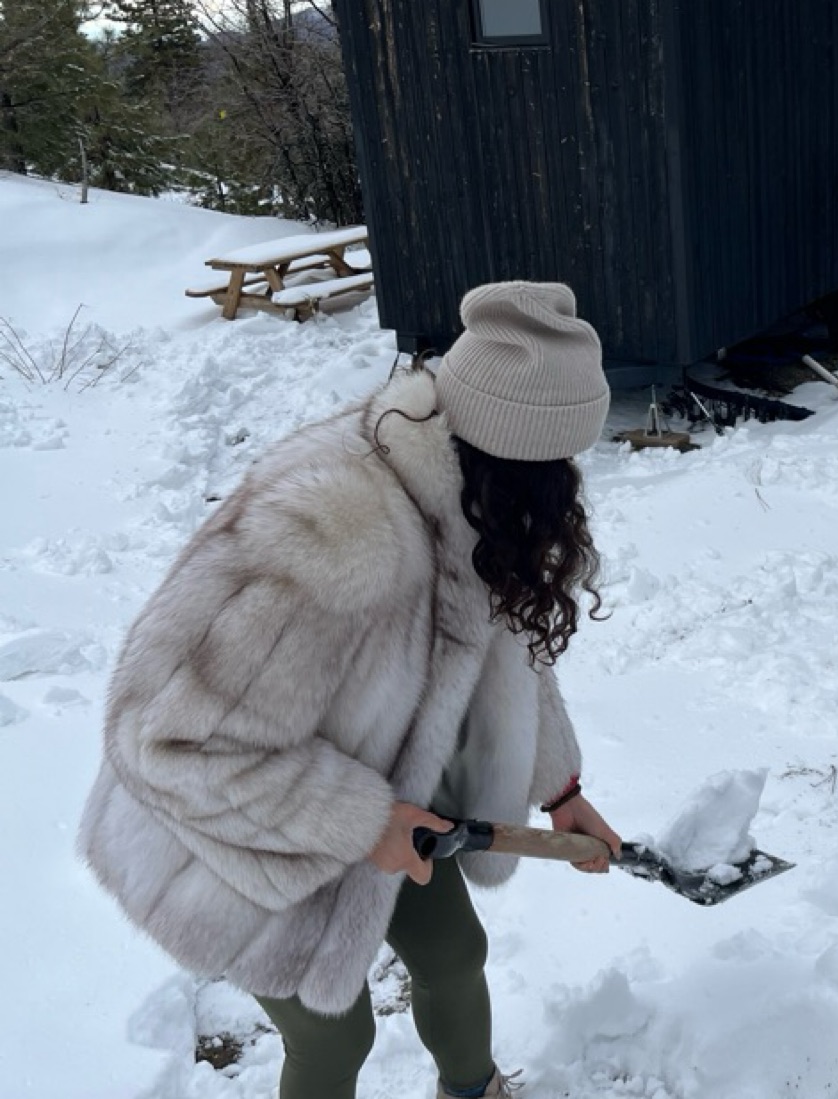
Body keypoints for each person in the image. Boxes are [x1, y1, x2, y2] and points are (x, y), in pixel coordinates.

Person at [78, 280, 622, 1099]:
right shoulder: (337, 535)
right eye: (554, 465)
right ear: (509, 451)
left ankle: (474, 1090)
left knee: (454, 954)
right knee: (335, 1035)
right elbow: (166, 738)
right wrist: (363, 820)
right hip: (228, 824)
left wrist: (561, 788)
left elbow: (502, 654)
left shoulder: (467, 500)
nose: (565, 486)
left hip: (374, 778)